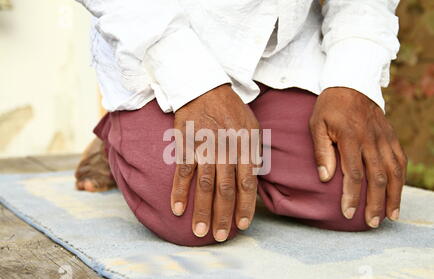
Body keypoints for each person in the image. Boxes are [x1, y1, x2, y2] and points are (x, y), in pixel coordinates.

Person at [74, 0, 407, 246]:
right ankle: (120, 133)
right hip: (159, 42)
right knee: (190, 215)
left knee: (357, 197)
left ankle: (249, 138)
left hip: (280, 52)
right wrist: (195, 83)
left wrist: (351, 80)